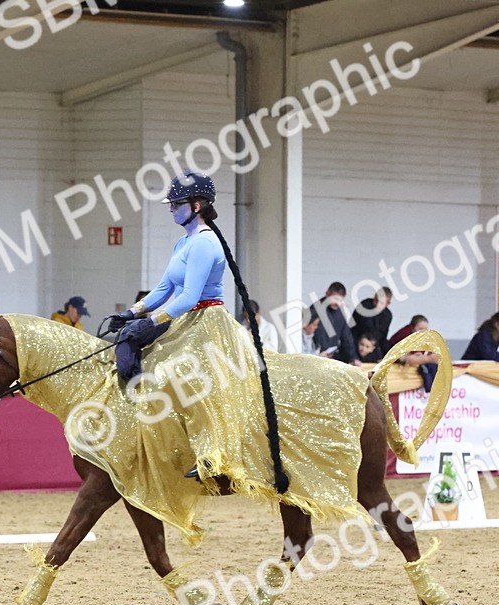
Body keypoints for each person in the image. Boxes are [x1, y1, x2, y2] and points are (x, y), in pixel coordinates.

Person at [105, 171, 290, 491]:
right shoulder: (184, 242)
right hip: (185, 318)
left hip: (206, 321)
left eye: (176, 203)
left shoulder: (205, 243)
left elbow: (190, 297)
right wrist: (132, 312)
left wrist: (151, 322)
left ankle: (212, 455)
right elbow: (164, 288)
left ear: (197, 204)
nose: (171, 208)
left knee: (181, 378)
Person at [309, 282, 358, 364]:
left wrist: (353, 357)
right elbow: (313, 335)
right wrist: (320, 354)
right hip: (318, 357)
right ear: (327, 293)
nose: (337, 303)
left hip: (332, 357)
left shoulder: (339, 312)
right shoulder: (315, 310)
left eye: (340, 300)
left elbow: (346, 337)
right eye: (335, 299)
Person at [351, 287, 392, 357]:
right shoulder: (364, 306)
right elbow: (368, 330)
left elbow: (383, 337)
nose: (377, 305)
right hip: (356, 342)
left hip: (373, 346)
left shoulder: (388, 315)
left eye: (381, 303)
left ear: (388, 304)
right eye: (376, 301)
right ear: (374, 297)